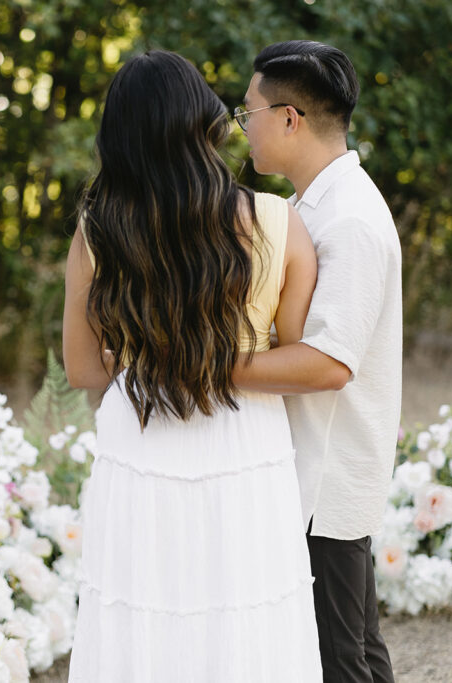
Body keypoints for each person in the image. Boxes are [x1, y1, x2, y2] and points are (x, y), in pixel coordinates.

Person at [63, 50, 322, 681]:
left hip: (142, 434)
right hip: (244, 439)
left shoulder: (98, 230)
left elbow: (82, 370)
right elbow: (291, 354)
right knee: (246, 612)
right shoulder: (277, 220)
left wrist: (147, 355)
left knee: (143, 613)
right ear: (203, 121)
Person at [232, 40, 402, 683]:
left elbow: (330, 363)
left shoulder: (349, 219)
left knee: (339, 662)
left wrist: (206, 366)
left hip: (327, 476)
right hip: (314, 468)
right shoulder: (313, 206)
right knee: (356, 651)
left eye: (248, 111)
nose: (243, 125)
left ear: (289, 118)